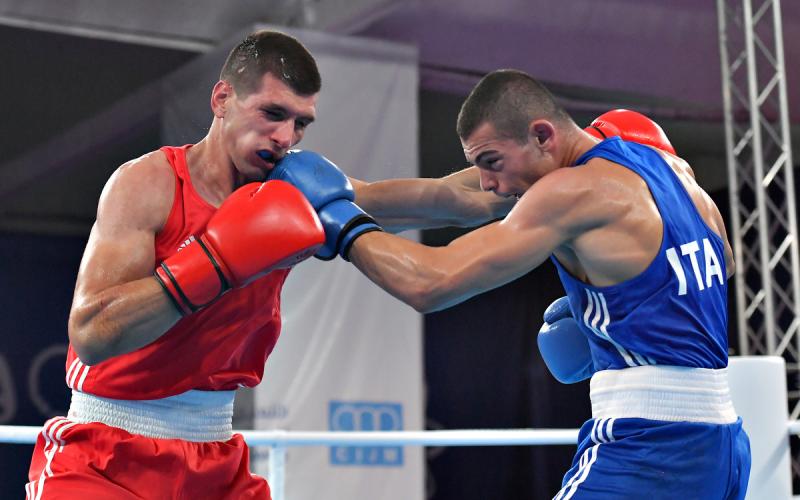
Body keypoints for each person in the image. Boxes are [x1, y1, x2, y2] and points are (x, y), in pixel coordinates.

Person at [24, 30, 512, 499]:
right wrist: (214, 262)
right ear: (222, 99)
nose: (285, 136)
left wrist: (541, 165)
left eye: (300, 123)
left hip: (214, 460)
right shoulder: (149, 184)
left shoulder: (294, 194)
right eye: (273, 114)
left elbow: (449, 197)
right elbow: (91, 334)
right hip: (105, 456)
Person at [289, 70, 751, 498]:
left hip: (651, 446)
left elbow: (430, 282)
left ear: (543, 135)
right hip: (724, 445)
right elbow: (723, 263)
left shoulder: (571, 192)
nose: (489, 183)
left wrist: (343, 225)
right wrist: (341, 193)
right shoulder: (664, 166)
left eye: (493, 162)